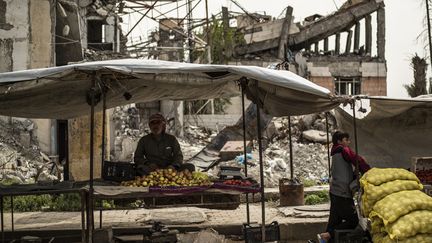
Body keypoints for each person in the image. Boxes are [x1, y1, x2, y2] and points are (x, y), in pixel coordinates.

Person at [319, 131, 371, 243]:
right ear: (339, 141)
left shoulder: (335, 152)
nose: (349, 142)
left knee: (334, 220)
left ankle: (325, 239)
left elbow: (345, 170)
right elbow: (356, 159)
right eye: (346, 140)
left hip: (335, 191)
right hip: (342, 193)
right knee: (353, 221)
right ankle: (328, 235)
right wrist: (368, 170)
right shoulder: (342, 150)